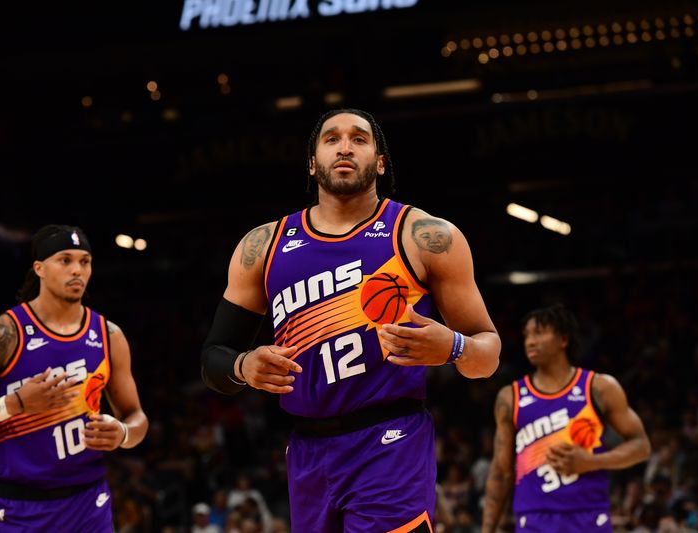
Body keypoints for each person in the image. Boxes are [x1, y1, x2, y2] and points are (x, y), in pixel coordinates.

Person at [201, 108, 502, 532]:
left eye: (359, 139)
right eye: (332, 139)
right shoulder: (263, 245)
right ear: (312, 162)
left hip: (390, 441)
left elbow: (488, 352)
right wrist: (244, 366)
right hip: (307, 451)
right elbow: (213, 358)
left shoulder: (424, 236)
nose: (345, 146)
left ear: (380, 161)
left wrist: (453, 347)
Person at [0, 224, 149, 532]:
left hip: (88, 504)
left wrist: (124, 433)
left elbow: (137, 417)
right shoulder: (4, 333)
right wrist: (13, 404)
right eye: (65, 260)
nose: (77, 270)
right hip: (19, 508)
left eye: (84, 261)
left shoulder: (108, 335)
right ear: (40, 268)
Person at [481, 303, 651, 533]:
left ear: (563, 339)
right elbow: (501, 471)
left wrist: (593, 462)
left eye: (539, 333)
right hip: (534, 517)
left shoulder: (599, 387)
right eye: (527, 335)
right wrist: (487, 529)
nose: (530, 341)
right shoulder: (510, 397)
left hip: (588, 514)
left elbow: (641, 446)